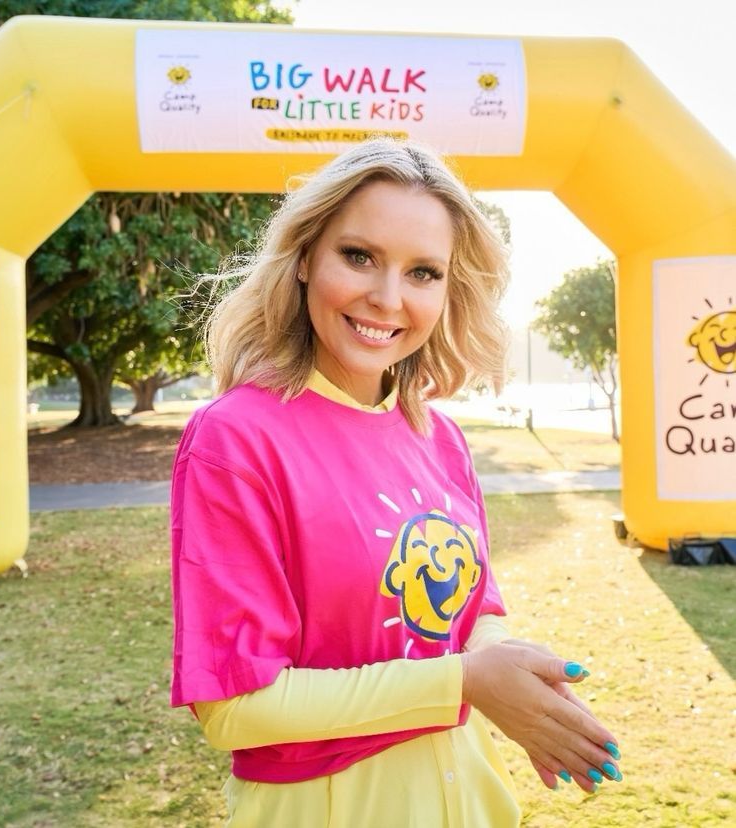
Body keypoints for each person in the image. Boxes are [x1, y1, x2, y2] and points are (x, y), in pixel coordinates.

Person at [169, 138, 622, 826]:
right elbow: (235, 707)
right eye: (359, 256)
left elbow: (474, 615)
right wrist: (464, 683)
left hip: (471, 801)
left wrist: (522, 689)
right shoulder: (235, 439)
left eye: (423, 272)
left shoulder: (439, 437)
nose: (387, 299)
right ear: (304, 258)